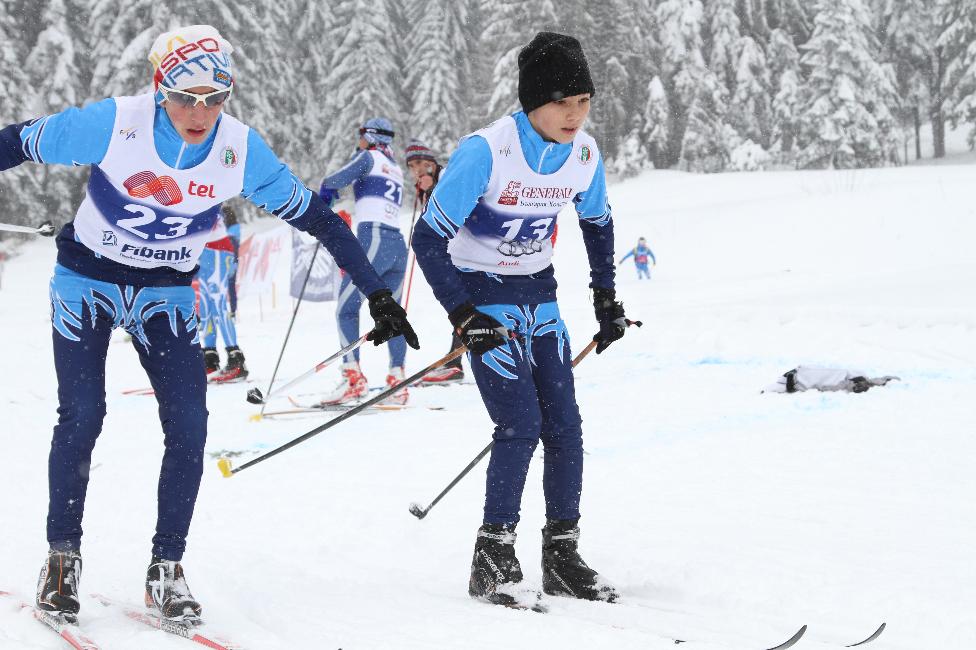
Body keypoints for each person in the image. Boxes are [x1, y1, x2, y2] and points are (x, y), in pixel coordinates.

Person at [0, 24, 417, 625]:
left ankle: (166, 567)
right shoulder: (115, 122)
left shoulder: (239, 149)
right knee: (83, 414)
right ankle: (62, 557)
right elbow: (16, 141)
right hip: (87, 280)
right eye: (185, 97)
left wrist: (378, 293)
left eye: (215, 98)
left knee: (190, 424)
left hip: (166, 291)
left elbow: (320, 219)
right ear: (160, 88)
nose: (200, 113)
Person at [412, 31, 628, 608]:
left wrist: (606, 300)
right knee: (520, 424)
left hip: (540, 296)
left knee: (565, 426)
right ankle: (493, 557)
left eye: (584, 101)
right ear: (533, 101)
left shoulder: (583, 154)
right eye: (563, 102)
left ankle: (561, 557)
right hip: (484, 297)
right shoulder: (487, 151)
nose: (575, 115)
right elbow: (428, 240)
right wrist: (463, 314)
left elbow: (598, 222)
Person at [319, 118, 410, 405]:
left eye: (361, 134)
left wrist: (325, 195)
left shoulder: (369, 156)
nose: (358, 140)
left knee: (346, 309)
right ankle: (397, 381)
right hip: (397, 244)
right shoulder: (394, 166)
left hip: (374, 240)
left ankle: (353, 379)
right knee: (392, 313)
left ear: (370, 137)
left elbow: (333, 180)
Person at [404, 139, 465, 385]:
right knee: (465, 306)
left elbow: (456, 204)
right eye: (411, 166)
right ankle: (455, 361)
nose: (416, 170)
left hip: (470, 251)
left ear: (431, 163)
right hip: (455, 253)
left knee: (465, 305)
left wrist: (433, 189)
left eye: (420, 163)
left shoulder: (446, 176)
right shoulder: (428, 186)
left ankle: (455, 363)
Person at [196, 206, 246, 381]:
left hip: (216, 249)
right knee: (205, 307)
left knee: (218, 304)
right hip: (204, 251)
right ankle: (210, 357)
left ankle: (236, 358)